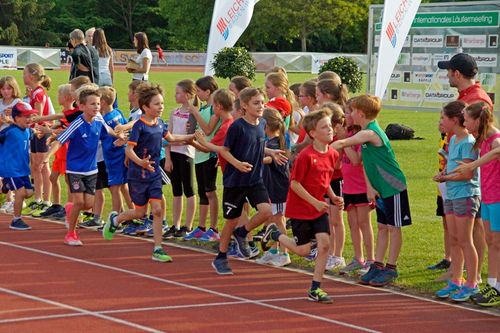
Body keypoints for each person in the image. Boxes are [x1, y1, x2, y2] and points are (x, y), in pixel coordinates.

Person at [102, 83, 194, 262]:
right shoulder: (139, 126)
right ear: (145, 107)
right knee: (139, 213)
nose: (161, 107)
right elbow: (129, 151)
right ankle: (115, 220)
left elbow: (172, 138)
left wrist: (190, 138)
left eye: (162, 103)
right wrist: (141, 163)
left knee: (158, 210)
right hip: (137, 175)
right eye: (157, 104)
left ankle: (158, 249)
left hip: (153, 174)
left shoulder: (160, 124)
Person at [263, 108, 343, 303]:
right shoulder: (306, 156)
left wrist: (332, 196)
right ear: (313, 134)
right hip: (301, 209)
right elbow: (295, 184)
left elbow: (325, 180)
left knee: (324, 245)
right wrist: (315, 202)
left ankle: (315, 289)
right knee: (302, 251)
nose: (330, 129)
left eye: (330, 126)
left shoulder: (332, 154)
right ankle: (275, 234)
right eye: (324, 127)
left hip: (318, 210)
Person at [331, 95, 411, 287]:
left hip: (393, 186)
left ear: (360, 113)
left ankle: (391, 268)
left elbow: (343, 143)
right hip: (380, 188)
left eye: (351, 111)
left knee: (393, 227)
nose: (348, 114)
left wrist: (327, 149)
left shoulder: (371, 132)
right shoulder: (365, 132)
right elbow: (367, 163)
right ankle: (378, 264)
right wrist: (369, 186)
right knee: (382, 227)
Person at [439, 52, 492, 285]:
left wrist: (470, 165)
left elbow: (482, 136)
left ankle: (475, 273)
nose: (447, 75)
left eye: (448, 71)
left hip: (470, 172)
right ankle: (457, 268)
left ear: (457, 73)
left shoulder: (477, 98)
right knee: (453, 221)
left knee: (474, 224)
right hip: (453, 167)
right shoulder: (465, 95)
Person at [44, 86, 121, 246]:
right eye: (92, 104)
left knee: (88, 204)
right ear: (82, 106)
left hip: (91, 169)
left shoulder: (99, 119)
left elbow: (108, 131)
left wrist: (118, 135)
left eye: (98, 104)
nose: (96, 107)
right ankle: (71, 234)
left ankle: (69, 208)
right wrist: (47, 156)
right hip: (75, 169)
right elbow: (60, 140)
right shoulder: (77, 123)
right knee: (80, 202)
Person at [210, 87, 274, 275]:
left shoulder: (262, 123)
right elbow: (225, 151)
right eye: (256, 103)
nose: (261, 106)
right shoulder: (237, 126)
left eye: (262, 102)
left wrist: (271, 152)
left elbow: (257, 146)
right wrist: (237, 164)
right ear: (244, 105)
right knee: (231, 221)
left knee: (266, 211)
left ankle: (242, 232)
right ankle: (221, 257)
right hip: (235, 181)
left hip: (255, 179)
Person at [433, 100, 480, 302]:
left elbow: (467, 173)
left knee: (465, 240)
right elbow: (453, 166)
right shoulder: (453, 140)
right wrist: (445, 173)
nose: (441, 121)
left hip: (465, 194)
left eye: (443, 118)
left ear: (454, 120)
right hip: (451, 193)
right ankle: (456, 280)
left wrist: (446, 177)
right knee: (454, 239)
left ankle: (472, 283)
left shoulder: (468, 142)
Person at [453, 102, 500, 306]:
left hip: (497, 197)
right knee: (491, 241)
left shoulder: (495, 138)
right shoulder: (482, 140)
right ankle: (492, 285)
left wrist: (473, 165)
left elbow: (498, 152)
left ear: (478, 120)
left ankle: (497, 287)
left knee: (497, 242)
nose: (464, 123)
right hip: (488, 196)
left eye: (466, 119)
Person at [193, 88, 235, 241]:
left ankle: (237, 238)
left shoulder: (226, 127)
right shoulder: (229, 123)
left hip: (233, 173)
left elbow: (210, 147)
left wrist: (196, 141)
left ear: (218, 107)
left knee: (234, 210)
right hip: (230, 170)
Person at [339, 99, 374, 275]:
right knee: (353, 223)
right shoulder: (348, 133)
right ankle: (357, 258)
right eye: (346, 112)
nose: (347, 115)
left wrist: (343, 142)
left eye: (349, 112)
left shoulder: (363, 135)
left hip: (361, 185)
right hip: (348, 186)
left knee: (364, 223)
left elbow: (356, 160)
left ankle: (370, 260)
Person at [184, 76, 221, 241]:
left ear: (208, 91)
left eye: (199, 91)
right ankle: (201, 227)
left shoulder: (214, 109)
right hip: (199, 154)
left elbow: (207, 130)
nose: (197, 94)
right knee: (203, 192)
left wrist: (195, 113)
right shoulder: (206, 108)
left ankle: (213, 228)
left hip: (210, 154)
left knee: (210, 191)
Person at [255, 108, 291, 267]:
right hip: (269, 186)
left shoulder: (276, 143)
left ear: (266, 126)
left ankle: (285, 253)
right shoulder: (268, 142)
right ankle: (274, 250)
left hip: (278, 188)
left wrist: (255, 160)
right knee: (271, 218)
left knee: (278, 219)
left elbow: (270, 159)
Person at [163, 80, 198, 239]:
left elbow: (193, 138)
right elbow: (167, 136)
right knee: (176, 191)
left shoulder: (194, 114)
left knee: (189, 190)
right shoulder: (174, 112)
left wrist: (176, 140)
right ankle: (176, 224)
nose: (175, 95)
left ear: (188, 95)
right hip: (174, 154)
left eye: (178, 92)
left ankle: (188, 226)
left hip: (186, 155)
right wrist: (168, 158)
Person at [0, 102, 37, 230]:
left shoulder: (28, 131)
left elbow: (33, 135)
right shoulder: (8, 132)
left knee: (29, 192)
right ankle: (16, 220)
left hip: (23, 169)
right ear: (16, 118)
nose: (29, 119)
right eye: (26, 116)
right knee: (20, 193)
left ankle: (5, 186)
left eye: (30, 116)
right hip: (10, 168)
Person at [23, 63, 52, 216]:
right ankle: (38, 198)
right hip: (36, 131)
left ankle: (46, 200)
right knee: (35, 166)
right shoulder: (34, 93)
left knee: (42, 167)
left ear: (32, 76)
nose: (23, 77)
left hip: (41, 132)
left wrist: (28, 121)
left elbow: (38, 116)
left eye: (24, 74)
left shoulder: (39, 93)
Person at [0, 76, 21, 214]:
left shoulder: (19, 103)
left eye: (9, 88)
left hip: (14, 140)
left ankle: (13, 198)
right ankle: (9, 197)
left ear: (14, 89)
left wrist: (12, 118)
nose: (6, 91)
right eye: (3, 88)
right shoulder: (0, 103)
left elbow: (26, 122)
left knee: (11, 169)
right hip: (2, 137)